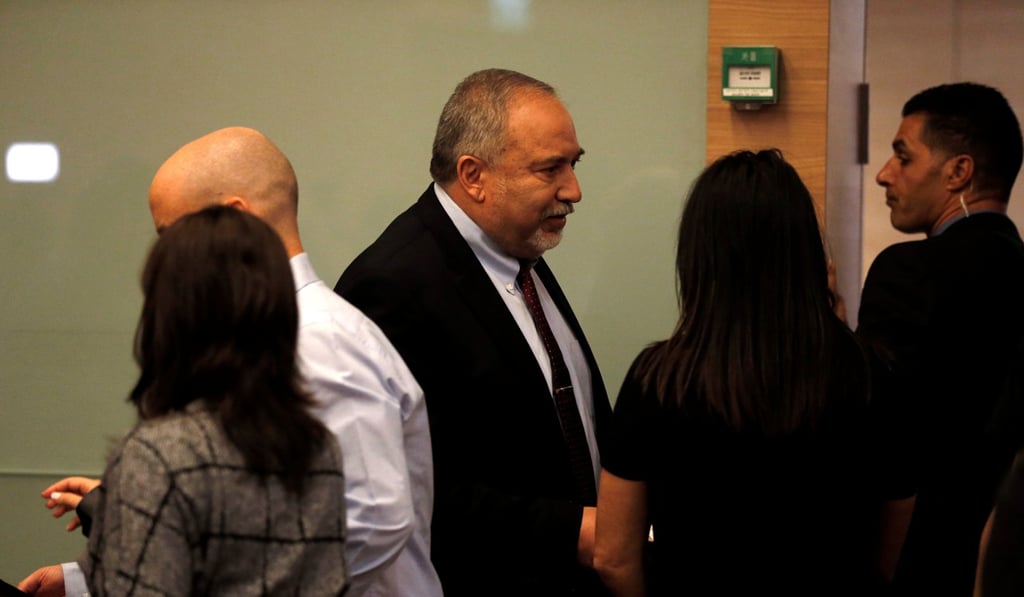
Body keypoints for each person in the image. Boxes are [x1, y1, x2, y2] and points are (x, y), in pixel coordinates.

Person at [20, 127, 441, 597]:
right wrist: (151, 504)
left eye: (173, 235)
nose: (163, 258)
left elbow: (371, 520)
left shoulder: (313, 341)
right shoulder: (283, 336)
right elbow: (266, 514)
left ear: (236, 221)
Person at [335, 68, 613, 595]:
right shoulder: (391, 285)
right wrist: (573, 531)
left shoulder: (516, 249)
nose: (573, 190)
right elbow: (404, 487)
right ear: (473, 175)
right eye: (550, 169)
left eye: (573, 164)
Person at [592, 149, 885, 596]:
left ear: (699, 254)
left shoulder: (656, 382)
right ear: (806, 248)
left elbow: (613, 556)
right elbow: (891, 538)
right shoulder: (868, 372)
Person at [37, 206, 351, 595]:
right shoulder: (320, 447)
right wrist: (121, 508)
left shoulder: (158, 457)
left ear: (169, 316)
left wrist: (130, 503)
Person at [856, 82, 1024, 596]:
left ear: (958, 172)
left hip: (915, 558)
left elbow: (878, 433)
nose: (884, 173)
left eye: (903, 156)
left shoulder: (908, 272)